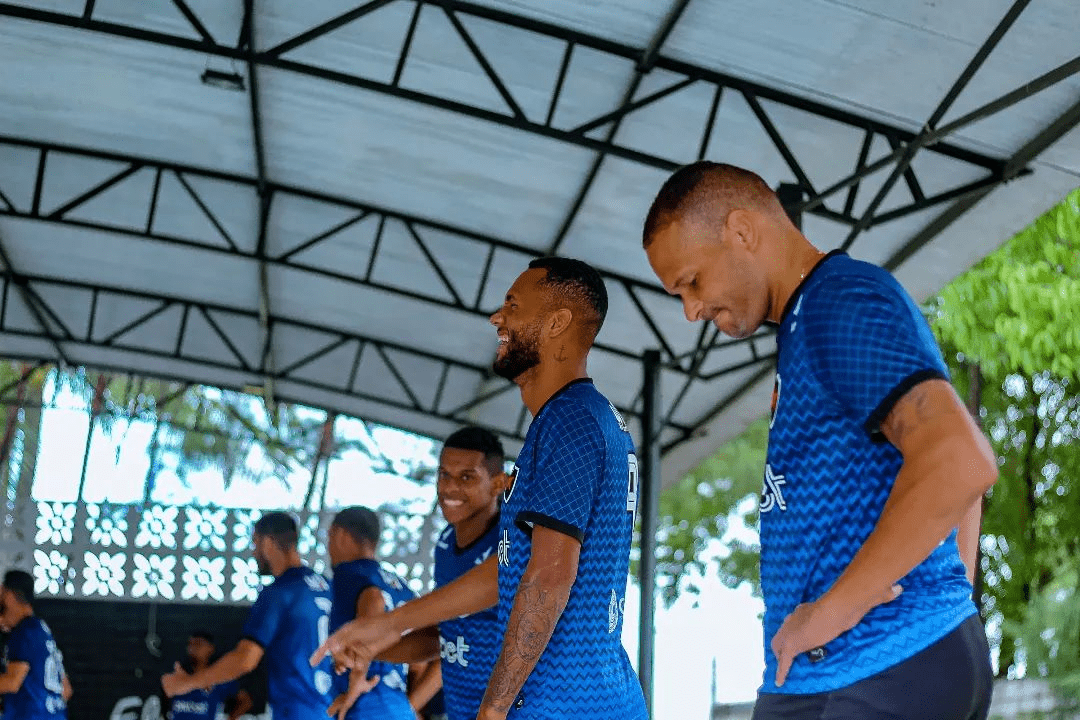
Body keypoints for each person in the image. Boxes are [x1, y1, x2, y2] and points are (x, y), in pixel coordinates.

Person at [641, 161, 998, 719]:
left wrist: (839, 609)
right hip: (858, 670)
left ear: (741, 231)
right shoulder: (809, 319)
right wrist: (948, 608)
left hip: (869, 667)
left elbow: (960, 460)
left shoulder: (841, 300)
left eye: (692, 282)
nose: (691, 310)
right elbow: (958, 474)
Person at [313, 257, 647, 720]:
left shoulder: (569, 420)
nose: (497, 318)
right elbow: (507, 574)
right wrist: (388, 627)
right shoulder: (580, 419)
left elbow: (549, 575)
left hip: (563, 706)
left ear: (557, 323)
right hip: (584, 697)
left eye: (513, 305)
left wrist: (492, 709)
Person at [368, 426, 508, 720]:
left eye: (466, 477)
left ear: (498, 483)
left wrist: (391, 623)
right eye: (444, 474)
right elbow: (441, 638)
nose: (449, 488)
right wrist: (369, 649)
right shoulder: (445, 543)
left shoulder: (512, 542)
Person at [162, 512, 335, 720]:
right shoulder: (326, 586)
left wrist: (186, 683)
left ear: (267, 542)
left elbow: (245, 659)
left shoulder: (280, 592)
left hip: (298, 712)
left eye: (255, 543)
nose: (254, 552)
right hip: (330, 711)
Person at [324, 506, 425, 719]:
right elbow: (421, 660)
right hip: (397, 705)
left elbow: (374, 601)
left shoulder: (349, 573)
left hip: (365, 703)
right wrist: (410, 707)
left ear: (340, 535)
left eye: (329, 537)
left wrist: (358, 679)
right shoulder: (401, 586)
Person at [0, 570, 72, 720]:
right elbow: (66, 690)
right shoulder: (42, 631)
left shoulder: (24, 632)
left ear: (10, 596)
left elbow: (12, 682)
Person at [163, 630, 252, 720]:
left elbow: (245, 701)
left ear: (210, 648)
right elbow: (164, 699)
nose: (193, 647)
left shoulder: (220, 678)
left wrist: (232, 718)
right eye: (190, 644)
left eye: (198, 644)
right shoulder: (178, 675)